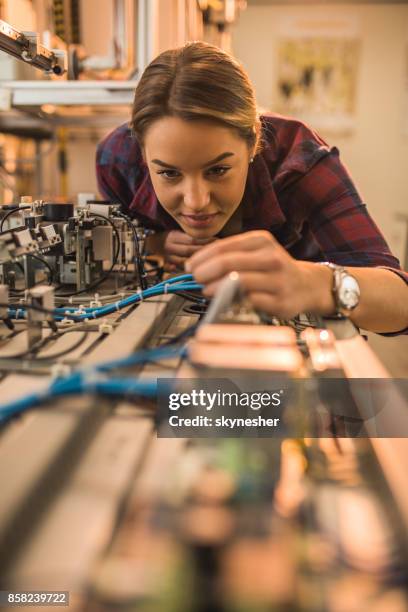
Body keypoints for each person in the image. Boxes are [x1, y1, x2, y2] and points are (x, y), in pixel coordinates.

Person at [96, 41, 408, 335]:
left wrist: (312, 283)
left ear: (254, 141)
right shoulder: (117, 161)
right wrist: (155, 244)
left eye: (218, 170)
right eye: (168, 173)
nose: (196, 202)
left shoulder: (301, 162)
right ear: (142, 153)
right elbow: (113, 252)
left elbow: (401, 302)